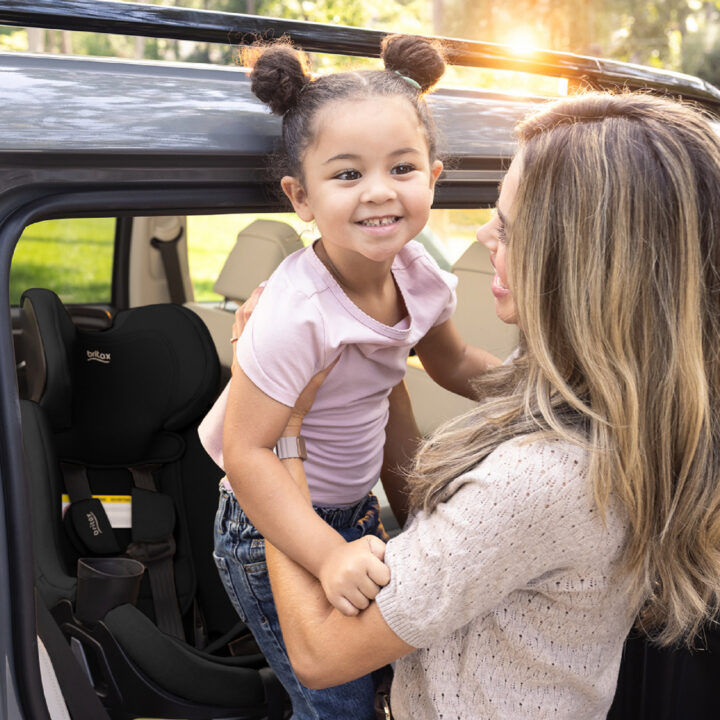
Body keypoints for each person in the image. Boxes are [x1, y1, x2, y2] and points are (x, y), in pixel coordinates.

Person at [255, 91, 720, 720]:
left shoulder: (542, 478)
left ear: (584, 264)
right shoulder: (633, 411)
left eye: (508, 224)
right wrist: (372, 345)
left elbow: (320, 655)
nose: (483, 234)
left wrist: (285, 439)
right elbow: (460, 534)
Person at [198, 35, 499, 719]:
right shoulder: (294, 314)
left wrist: (537, 389)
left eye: (402, 167)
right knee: (334, 700)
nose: (379, 193)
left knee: (381, 676)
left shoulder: (419, 277)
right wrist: (328, 555)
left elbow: (453, 362)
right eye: (347, 175)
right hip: (271, 520)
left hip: (354, 510)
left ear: (434, 176)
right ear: (300, 197)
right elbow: (246, 454)